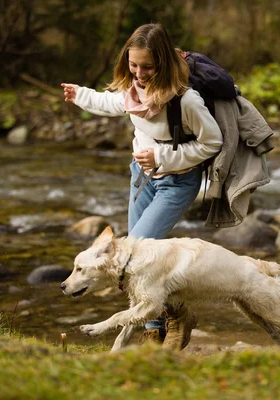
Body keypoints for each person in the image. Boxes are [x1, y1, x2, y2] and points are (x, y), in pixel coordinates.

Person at [61, 23, 223, 351]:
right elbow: (110, 103)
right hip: (141, 177)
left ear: (163, 62)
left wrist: (162, 154)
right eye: (133, 65)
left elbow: (213, 142)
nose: (139, 73)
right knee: (136, 263)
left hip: (177, 182)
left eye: (147, 66)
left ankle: (171, 321)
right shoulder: (132, 89)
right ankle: (157, 326)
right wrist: (79, 95)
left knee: (135, 257)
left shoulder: (185, 100)